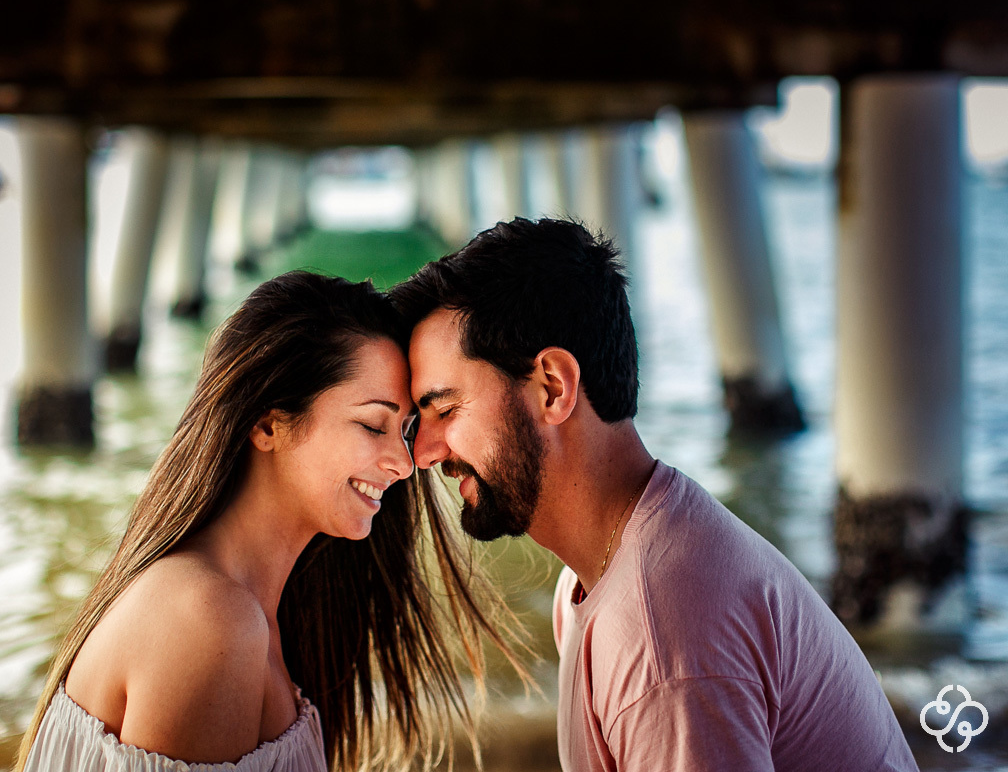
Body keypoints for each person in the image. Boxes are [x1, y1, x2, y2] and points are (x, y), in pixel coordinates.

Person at [391, 217, 919, 772]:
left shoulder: (661, 629)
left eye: (445, 410)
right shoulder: (601, 571)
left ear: (552, 387)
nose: (421, 453)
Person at [15, 271, 520, 772]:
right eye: (372, 425)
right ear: (266, 424)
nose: (404, 463)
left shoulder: (255, 607)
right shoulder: (209, 619)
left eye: (405, 431)